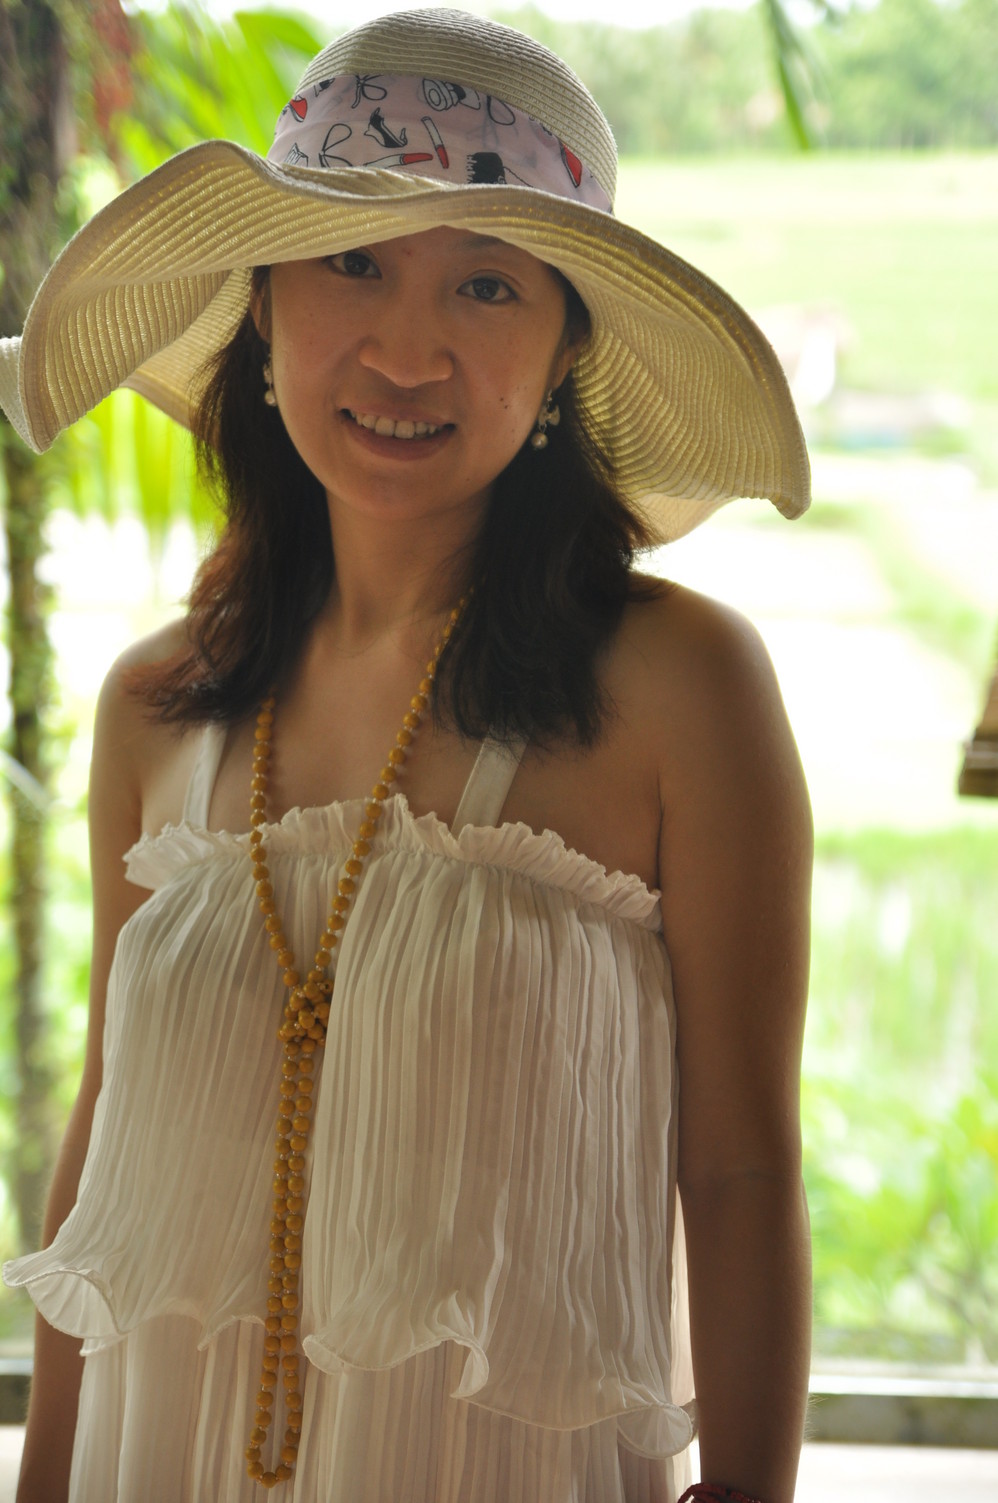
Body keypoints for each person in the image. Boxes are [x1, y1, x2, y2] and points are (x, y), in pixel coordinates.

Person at [1, 9, 813, 1502]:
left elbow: (742, 1162)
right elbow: (104, 1151)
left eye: (486, 284)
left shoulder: (683, 688)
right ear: (263, 306)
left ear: (565, 352)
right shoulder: (156, 704)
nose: (404, 349)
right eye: (352, 263)